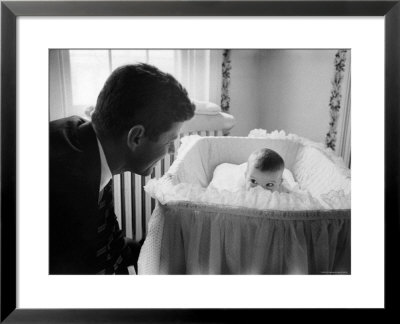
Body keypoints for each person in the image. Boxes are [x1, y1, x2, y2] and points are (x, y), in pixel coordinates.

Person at [50, 63, 195, 274]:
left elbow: (107, 243)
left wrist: (158, 245)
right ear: (136, 137)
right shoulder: (67, 187)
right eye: (170, 141)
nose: (173, 150)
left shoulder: (90, 143)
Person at [209, 148, 297, 193]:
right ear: (246, 176)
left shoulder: (283, 191)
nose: (260, 190)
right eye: (254, 181)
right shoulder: (241, 190)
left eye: (269, 185)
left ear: (279, 183)